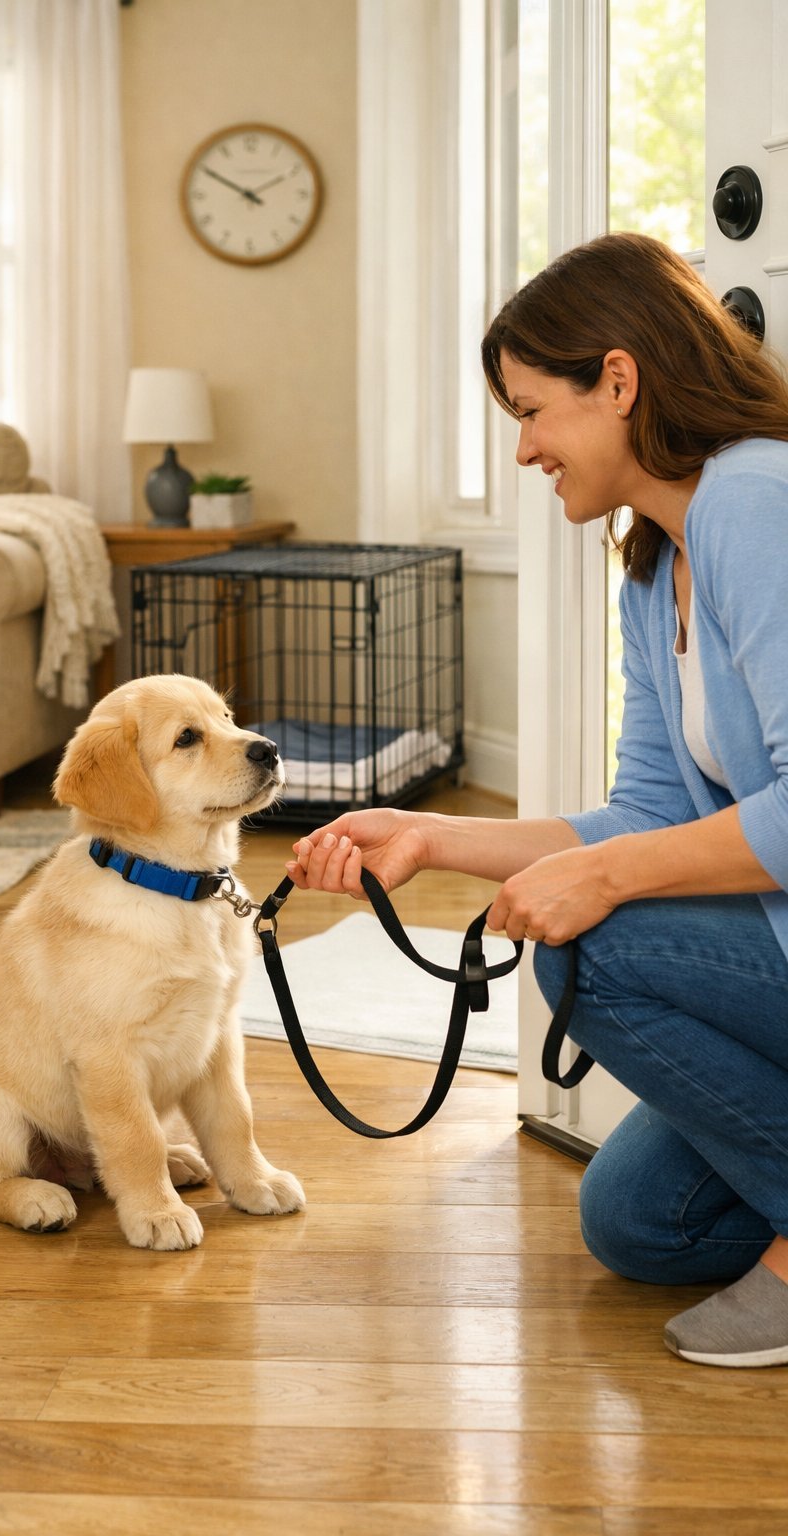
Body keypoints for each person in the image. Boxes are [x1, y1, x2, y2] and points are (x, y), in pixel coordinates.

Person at [285, 231, 788, 1369]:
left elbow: (651, 855)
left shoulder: (756, 502)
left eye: (530, 410)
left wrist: (597, 879)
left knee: (589, 949)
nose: (521, 451)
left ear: (618, 380)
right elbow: (649, 811)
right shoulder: (658, 561)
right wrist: (431, 835)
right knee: (639, 1224)